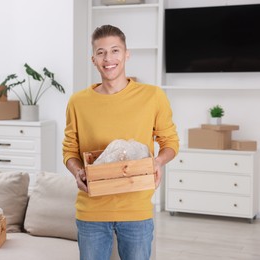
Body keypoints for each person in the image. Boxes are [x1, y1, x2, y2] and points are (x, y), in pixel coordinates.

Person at [62, 25, 179, 260]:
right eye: (101, 52)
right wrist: (77, 171)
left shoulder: (153, 96)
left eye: (115, 51)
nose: (108, 59)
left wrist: (157, 162)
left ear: (126, 54)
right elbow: (70, 150)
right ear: (93, 59)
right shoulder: (78, 102)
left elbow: (170, 142)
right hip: (91, 212)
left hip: (136, 211)